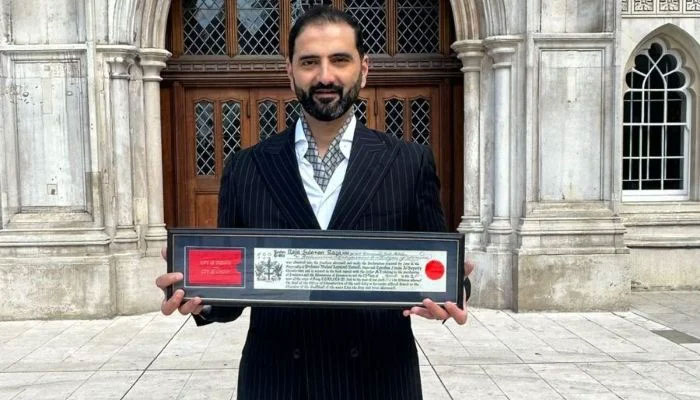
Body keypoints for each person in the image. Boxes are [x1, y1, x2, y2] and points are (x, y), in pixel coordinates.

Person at [155, 6, 473, 400]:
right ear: (289, 72)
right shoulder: (245, 167)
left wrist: (457, 289)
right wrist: (196, 296)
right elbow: (231, 294)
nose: (325, 76)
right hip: (277, 382)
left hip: (378, 380)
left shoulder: (409, 162)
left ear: (364, 69)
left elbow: (436, 264)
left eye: (340, 60)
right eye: (309, 62)